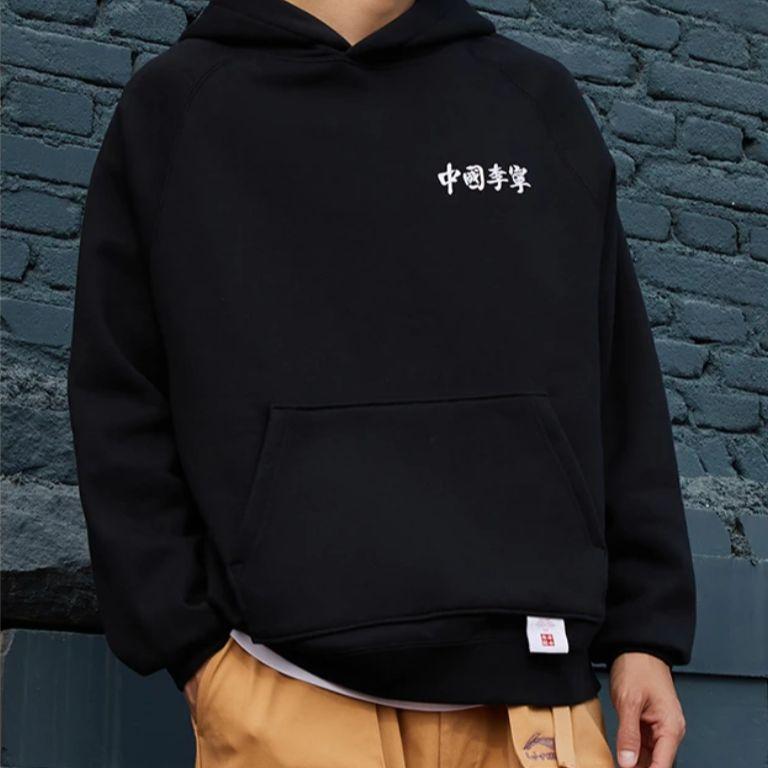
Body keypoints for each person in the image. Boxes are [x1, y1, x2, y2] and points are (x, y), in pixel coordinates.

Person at [67, 0, 696, 766]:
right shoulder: (180, 105)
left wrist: (643, 635)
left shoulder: (534, 100)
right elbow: (118, 394)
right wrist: (194, 651)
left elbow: (619, 382)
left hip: (535, 708)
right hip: (285, 690)